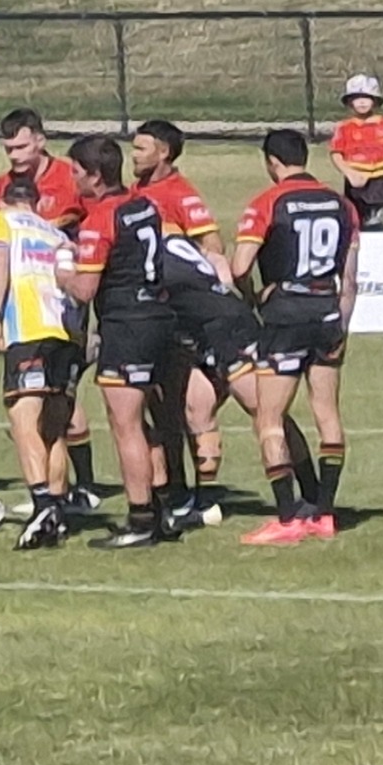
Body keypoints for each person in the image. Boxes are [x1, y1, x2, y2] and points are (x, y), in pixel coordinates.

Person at [232, 129, 360, 545]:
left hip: (285, 315)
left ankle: (287, 518)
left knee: (269, 418)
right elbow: (350, 279)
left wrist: (255, 296)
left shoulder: (268, 202)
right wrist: (340, 323)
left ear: (272, 162)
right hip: (327, 312)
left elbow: (239, 266)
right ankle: (325, 513)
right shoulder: (342, 205)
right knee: (328, 412)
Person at [63, 134, 182, 550]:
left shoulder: (100, 218)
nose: (73, 179)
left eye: (76, 172)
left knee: (125, 424)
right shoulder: (143, 204)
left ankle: (140, 519)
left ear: (95, 176)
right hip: (158, 315)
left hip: (127, 323)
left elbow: (84, 289)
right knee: (146, 421)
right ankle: (163, 508)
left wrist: (61, 271)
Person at [0, 107, 102, 512]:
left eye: (21, 147)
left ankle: (78, 487)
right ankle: (61, 492)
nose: (15, 156)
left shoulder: (72, 177)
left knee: (57, 397)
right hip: (34, 301)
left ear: (40, 140)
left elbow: (98, 227)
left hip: (62, 302)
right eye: (8, 149)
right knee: (53, 399)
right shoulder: (3, 187)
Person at [131, 118, 238, 523]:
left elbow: (211, 246)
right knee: (163, 409)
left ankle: (204, 496)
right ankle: (175, 491)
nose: (133, 155)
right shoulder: (136, 191)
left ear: (163, 153)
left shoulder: (181, 194)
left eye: (141, 148)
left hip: (185, 318)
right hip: (155, 316)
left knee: (192, 405)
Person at [0, 174, 80, 550]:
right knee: (54, 429)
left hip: (28, 330)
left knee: (24, 421)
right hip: (64, 334)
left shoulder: (0, 220)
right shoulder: (57, 233)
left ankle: (41, 503)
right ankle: (57, 509)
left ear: (4, 199)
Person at [329, 73, 383, 233]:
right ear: (349, 101)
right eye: (356, 97)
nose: (361, 102)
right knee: (354, 221)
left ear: (375, 100)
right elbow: (336, 153)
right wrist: (349, 173)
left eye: (366, 97)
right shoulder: (344, 128)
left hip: (380, 179)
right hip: (355, 180)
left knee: (376, 221)